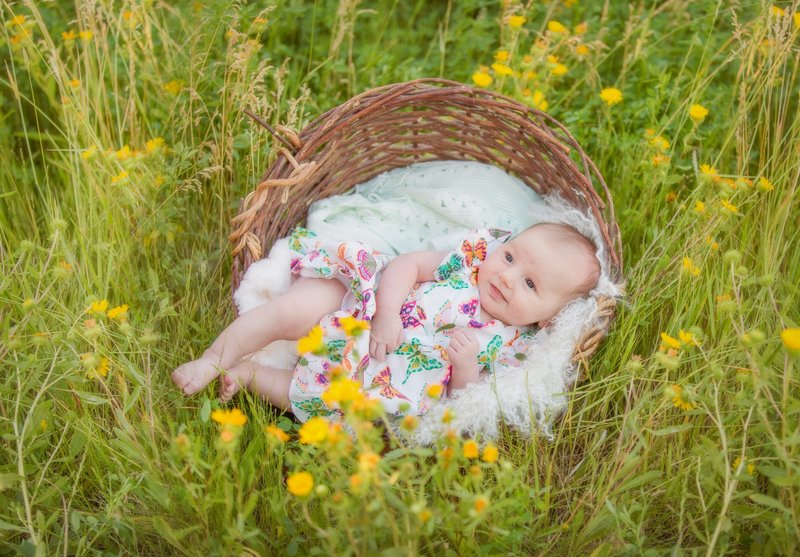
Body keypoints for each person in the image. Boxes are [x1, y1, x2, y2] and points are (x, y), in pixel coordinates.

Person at [172, 223, 600, 421]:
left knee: (319, 400)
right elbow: (407, 265)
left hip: (376, 376)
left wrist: (467, 367)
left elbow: (467, 400)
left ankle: (251, 374)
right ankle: (213, 357)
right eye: (509, 257)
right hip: (366, 303)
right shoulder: (465, 267)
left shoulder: (512, 345)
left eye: (529, 283)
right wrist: (388, 312)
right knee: (290, 313)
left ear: (550, 319)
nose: (506, 277)